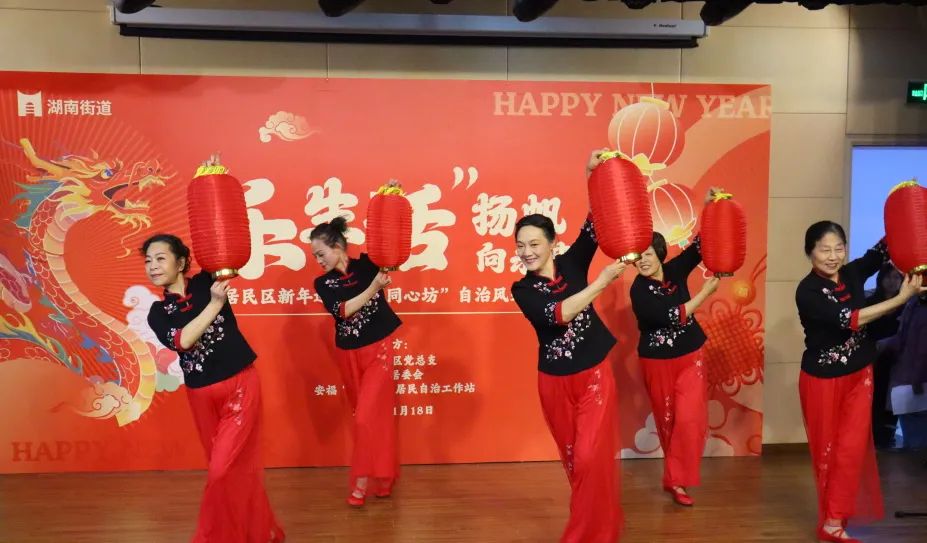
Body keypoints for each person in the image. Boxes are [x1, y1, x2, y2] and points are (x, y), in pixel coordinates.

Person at [144, 156, 284, 542]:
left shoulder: (209, 281)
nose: (153, 266)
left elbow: (220, 232)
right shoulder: (158, 312)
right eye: (148, 261)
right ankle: (262, 532)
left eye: (160, 258)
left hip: (240, 386)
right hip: (200, 397)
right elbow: (183, 341)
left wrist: (213, 180)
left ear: (181, 262)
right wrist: (215, 306)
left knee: (223, 470)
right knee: (230, 471)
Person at [510, 149, 626, 543]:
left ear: (552, 243)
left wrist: (592, 174)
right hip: (554, 383)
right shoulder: (522, 289)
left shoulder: (574, 263)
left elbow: (595, 222)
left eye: (534, 243)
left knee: (592, 456)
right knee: (576, 462)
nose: (526, 252)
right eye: (520, 245)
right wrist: (603, 282)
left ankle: (582, 534)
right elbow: (558, 314)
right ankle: (600, 526)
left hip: (594, 376)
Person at [795, 221, 925, 542]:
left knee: (851, 451)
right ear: (810, 252)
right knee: (828, 452)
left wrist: (910, 209)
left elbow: (882, 248)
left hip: (859, 375)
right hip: (823, 381)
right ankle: (830, 519)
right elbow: (851, 319)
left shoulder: (851, 273)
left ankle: (835, 520)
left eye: (839, 248)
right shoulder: (807, 291)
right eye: (825, 250)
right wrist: (902, 298)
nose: (833, 256)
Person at [627, 189, 721, 506]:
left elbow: (699, 246)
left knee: (690, 419)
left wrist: (709, 208)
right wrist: (704, 294)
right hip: (656, 362)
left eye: (647, 255)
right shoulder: (638, 290)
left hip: (690, 355)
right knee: (668, 422)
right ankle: (676, 482)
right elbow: (673, 315)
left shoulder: (676, 270)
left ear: (659, 253)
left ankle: (677, 478)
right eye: (637, 257)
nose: (642, 261)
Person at [310, 214, 401, 507]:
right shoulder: (323, 283)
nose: (318, 261)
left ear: (337, 246)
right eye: (315, 256)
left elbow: (394, 249)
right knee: (367, 419)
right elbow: (342, 311)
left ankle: (361, 482)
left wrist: (391, 202)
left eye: (321, 254)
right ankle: (384, 478)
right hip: (348, 355)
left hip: (379, 350)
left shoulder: (368, 265)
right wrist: (374, 288)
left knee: (367, 417)